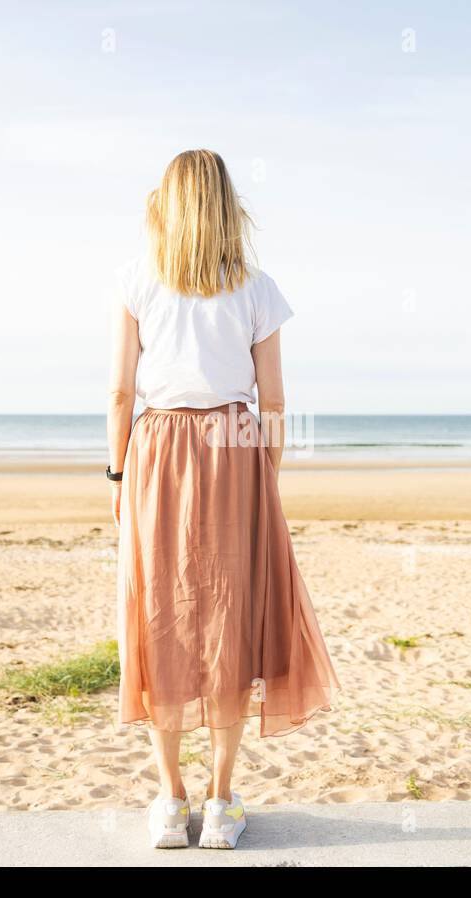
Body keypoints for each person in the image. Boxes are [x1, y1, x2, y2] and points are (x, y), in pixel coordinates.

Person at [106, 149, 340, 849]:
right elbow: (274, 399)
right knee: (230, 621)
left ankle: (170, 802)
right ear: (226, 202)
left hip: (158, 451)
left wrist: (118, 475)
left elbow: (121, 392)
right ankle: (220, 803)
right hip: (235, 447)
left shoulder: (138, 280)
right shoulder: (256, 286)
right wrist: (265, 474)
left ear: (169, 203)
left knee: (162, 615)